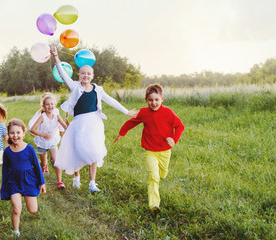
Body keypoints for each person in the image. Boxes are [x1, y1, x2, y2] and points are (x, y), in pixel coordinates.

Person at [50, 46, 137, 192]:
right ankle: (76, 177)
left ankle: (92, 183)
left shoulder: (98, 89)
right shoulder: (75, 87)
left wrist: (126, 111)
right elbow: (63, 74)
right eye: (83, 73)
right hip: (79, 124)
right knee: (78, 150)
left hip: (94, 124)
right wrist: (56, 57)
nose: (85, 76)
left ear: (92, 75)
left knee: (94, 150)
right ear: (79, 75)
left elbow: (111, 101)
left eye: (88, 73)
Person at [114, 84, 184, 215]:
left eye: (157, 100)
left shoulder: (168, 113)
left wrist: (174, 139)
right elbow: (132, 122)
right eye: (151, 100)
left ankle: (161, 174)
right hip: (150, 151)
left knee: (162, 174)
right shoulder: (144, 112)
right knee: (153, 177)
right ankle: (154, 205)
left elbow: (180, 126)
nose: (154, 103)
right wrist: (122, 133)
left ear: (162, 99)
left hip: (165, 151)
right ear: (146, 100)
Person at [1, 119, 46, 237]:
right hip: (13, 182)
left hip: (28, 181)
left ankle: (27, 197)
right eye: (12, 133)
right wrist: (4, 186)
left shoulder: (29, 149)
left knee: (33, 210)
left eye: (18, 133)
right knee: (16, 209)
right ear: (8, 134)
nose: (15, 136)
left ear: (23, 133)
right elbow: (5, 169)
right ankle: (16, 231)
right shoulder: (7, 151)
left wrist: (42, 183)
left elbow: (37, 166)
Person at [30, 93, 68, 189]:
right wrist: (43, 135)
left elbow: (64, 126)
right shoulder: (42, 117)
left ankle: (59, 181)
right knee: (43, 162)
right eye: (47, 104)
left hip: (52, 141)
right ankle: (43, 168)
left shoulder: (57, 115)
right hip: (42, 142)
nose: (50, 106)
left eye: (52, 104)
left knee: (56, 160)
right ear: (43, 106)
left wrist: (71, 129)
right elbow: (33, 129)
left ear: (54, 105)